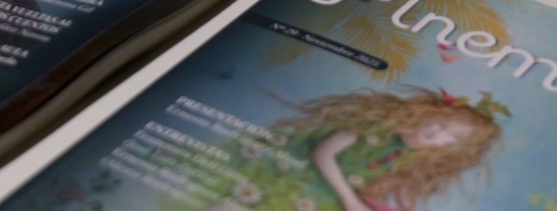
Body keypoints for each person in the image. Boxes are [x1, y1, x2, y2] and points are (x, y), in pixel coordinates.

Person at [209, 88, 505, 211]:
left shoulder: (414, 155)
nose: (436, 135)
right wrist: (350, 200)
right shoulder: (376, 127)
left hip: (330, 198)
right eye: (438, 124)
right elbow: (323, 153)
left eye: (450, 140)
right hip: (305, 176)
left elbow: (403, 186)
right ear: (425, 113)